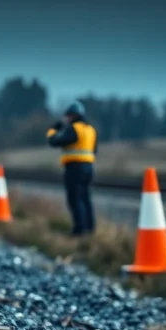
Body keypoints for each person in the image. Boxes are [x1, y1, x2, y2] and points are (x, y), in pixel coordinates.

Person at [47, 101, 98, 236]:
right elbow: (94, 150)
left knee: (75, 199)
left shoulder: (74, 128)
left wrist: (55, 128)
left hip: (74, 168)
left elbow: (54, 141)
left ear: (72, 116)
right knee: (86, 198)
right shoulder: (91, 130)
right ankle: (90, 228)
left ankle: (79, 230)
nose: (67, 119)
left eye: (68, 116)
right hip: (89, 167)